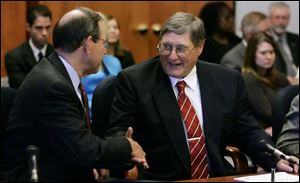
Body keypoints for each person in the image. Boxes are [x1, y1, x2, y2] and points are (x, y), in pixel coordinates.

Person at [106, 12, 298, 181]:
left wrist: (275, 158)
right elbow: (118, 132)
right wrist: (125, 146)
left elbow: (246, 131)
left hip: (215, 176)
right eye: (165, 47)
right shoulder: (134, 81)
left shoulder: (226, 79)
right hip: (161, 177)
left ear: (200, 47)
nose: (172, 56)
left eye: (181, 49)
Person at [1, 7, 148, 182]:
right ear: (87, 44)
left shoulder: (58, 72)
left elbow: (75, 142)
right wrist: (127, 146)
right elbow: (84, 150)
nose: (105, 50)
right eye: (104, 43)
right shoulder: (54, 86)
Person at [242, 31, 290, 136]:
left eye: (271, 52)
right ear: (252, 54)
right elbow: (268, 112)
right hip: (260, 134)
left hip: (282, 128)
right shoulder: (248, 79)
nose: (269, 57)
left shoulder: (280, 77)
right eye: (263, 53)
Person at [5, 4, 54, 89]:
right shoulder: (14, 57)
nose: (44, 33)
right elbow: (22, 90)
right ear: (28, 27)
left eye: (48, 27)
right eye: (39, 28)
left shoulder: (58, 53)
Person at [268, 2, 299, 81]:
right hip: (280, 83)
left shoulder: (296, 39)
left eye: (284, 18)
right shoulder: (265, 39)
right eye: (277, 17)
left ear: (288, 19)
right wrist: (285, 79)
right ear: (270, 18)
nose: (281, 22)